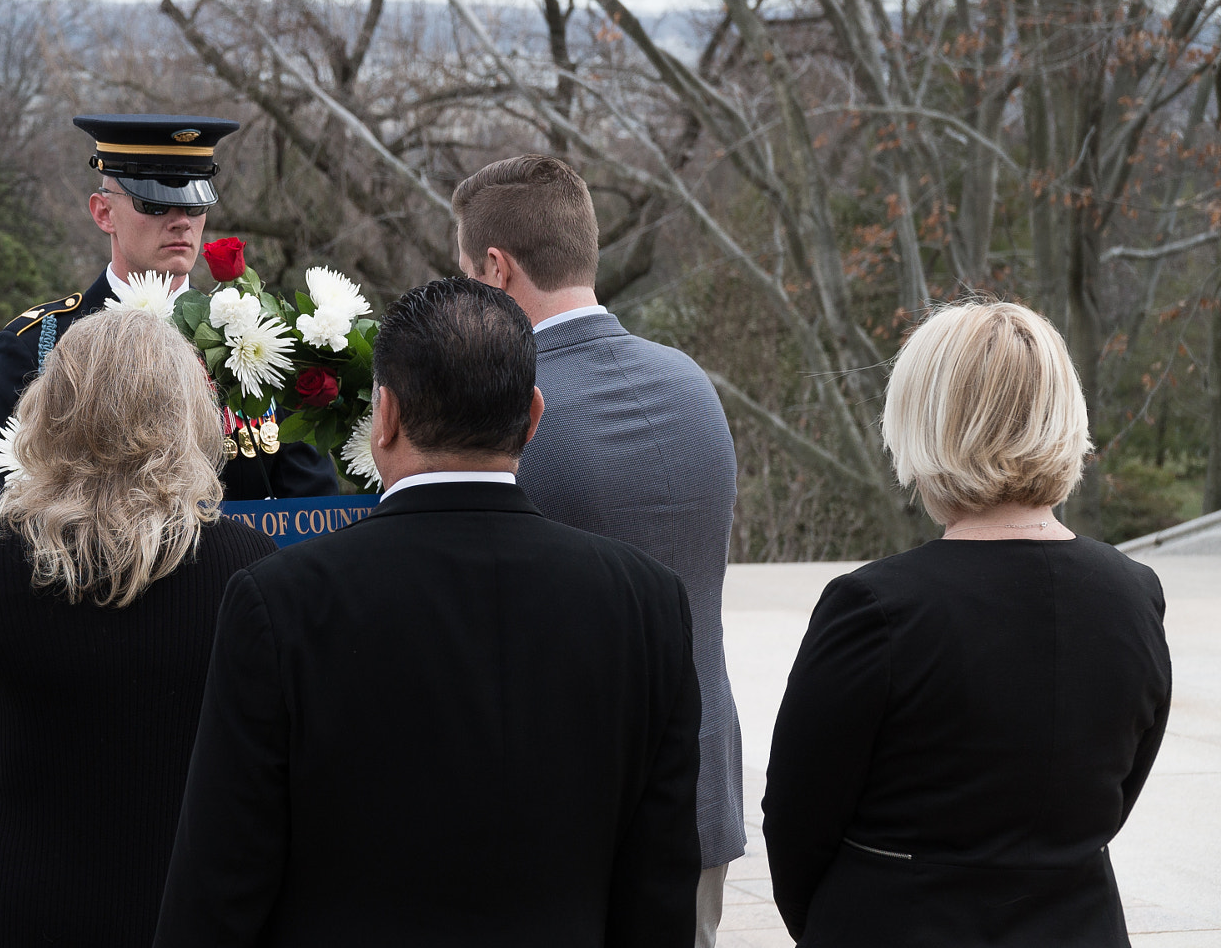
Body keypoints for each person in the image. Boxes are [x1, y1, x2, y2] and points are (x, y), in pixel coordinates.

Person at [155, 277, 701, 947]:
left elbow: (218, 889)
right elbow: (660, 891)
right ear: (533, 415)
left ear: (383, 415)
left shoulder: (281, 603)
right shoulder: (647, 604)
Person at [764, 301, 1172, 946]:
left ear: (925, 424)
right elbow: (1114, 795)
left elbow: (795, 821)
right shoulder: (1134, 594)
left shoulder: (874, 607)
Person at [454, 153, 744, 942]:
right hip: (696, 796)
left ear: (494, 265)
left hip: (559, 819)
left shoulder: (503, 414)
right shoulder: (692, 384)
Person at [0, 307, 277, 946]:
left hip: (21, 899)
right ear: (186, 414)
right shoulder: (247, 563)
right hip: (180, 898)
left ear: (50, 410)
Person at [0, 113, 338, 505]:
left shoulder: (261, 338)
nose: (181, 222)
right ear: (103, 212)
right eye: (154, 204)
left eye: (195, 206)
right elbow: (8, 506)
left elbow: (311, 510)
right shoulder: (39, 345)